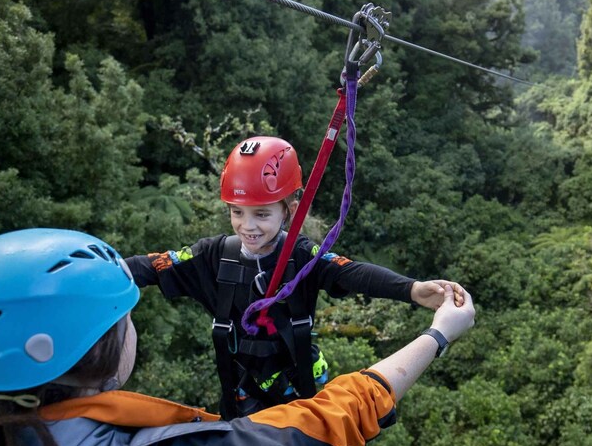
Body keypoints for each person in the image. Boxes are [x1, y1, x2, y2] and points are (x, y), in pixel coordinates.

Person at [0, 228, 475, 446]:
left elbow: (347, 271)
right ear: (96, 351)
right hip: (251, 394)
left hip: (277, 383)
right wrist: (438, 337)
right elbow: (311, 434)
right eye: (124, 318)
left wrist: (409, 290)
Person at [125, 135, 467, 419]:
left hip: (296, 397)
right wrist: (100, 269)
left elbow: (352, 272)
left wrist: (412, 290)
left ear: (290, 209)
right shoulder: (212, 256)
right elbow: (153, 266)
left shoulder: (303, 257)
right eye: (237, 212)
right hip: (240, 398)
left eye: (261, 213)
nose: (247, 226)